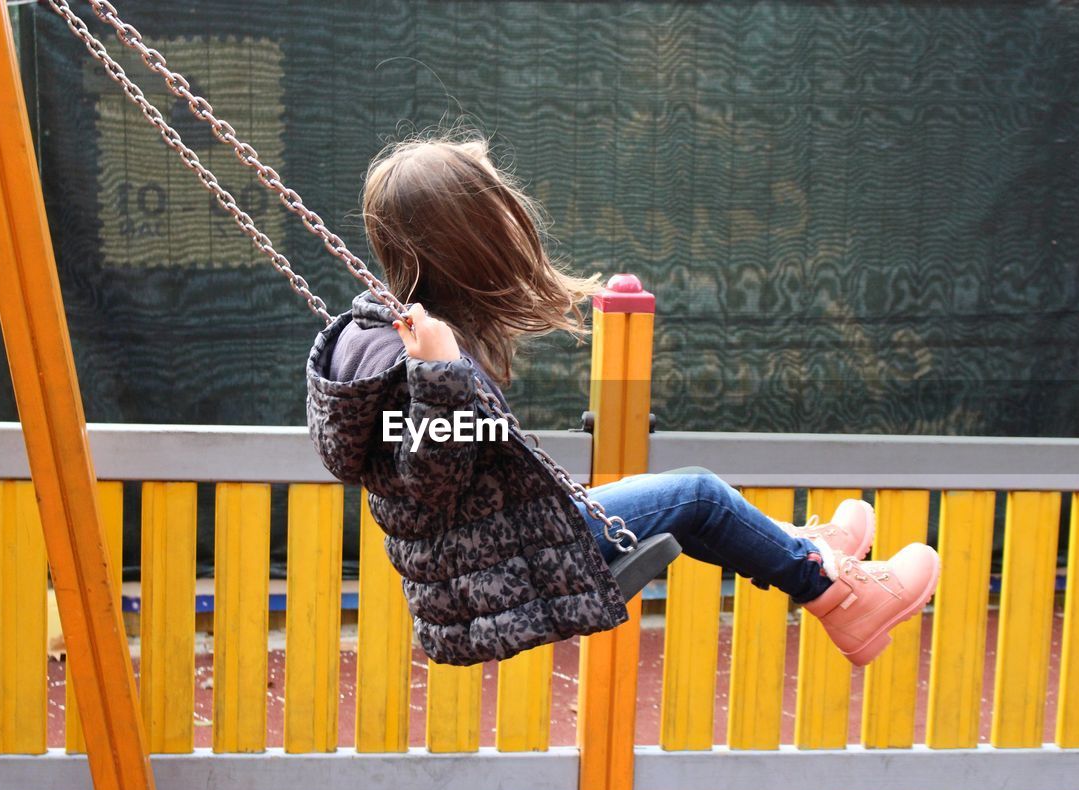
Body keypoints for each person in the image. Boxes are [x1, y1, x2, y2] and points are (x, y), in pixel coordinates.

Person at [306, 135, 939, 668]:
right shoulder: (416, 353)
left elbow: (411, 453)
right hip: (502, 563)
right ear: (470, 241)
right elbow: (424, 476)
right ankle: (841, 599)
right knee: (697, 495)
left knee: (691, 504)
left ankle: (795, 548)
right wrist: (441, 374)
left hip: (492, 549)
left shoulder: (374, 337)